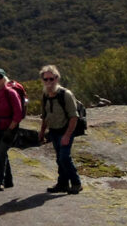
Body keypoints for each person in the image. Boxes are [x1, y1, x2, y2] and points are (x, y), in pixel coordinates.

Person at [38, 65, 82, 194]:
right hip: (54, 130)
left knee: (64, 158)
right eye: (46, 79)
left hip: (65, 130)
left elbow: (74, 116)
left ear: (57, 78)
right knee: (59, 158)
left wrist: (67, 135)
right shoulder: (45, 95)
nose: (49, 82)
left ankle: (76, 183)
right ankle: (62, 183)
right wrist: (42, 132)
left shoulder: (66, 95)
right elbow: (45, 116)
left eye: (51, 79)